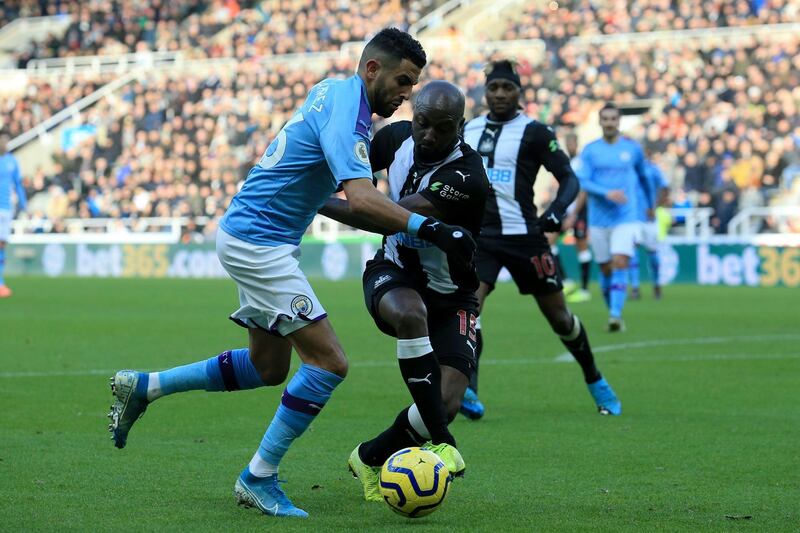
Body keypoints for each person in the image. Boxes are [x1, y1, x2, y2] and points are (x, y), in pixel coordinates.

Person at [107, 28, 476, 519]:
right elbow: (363, 200)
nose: (407, 93)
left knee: (268, 367)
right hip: (260, 244)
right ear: (373, 69)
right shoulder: (349, 117)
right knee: (329, 364)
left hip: (257, 236)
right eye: (403, 81)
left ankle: (147, 386)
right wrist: (430, 227)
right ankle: (257, 477)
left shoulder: (332, 90)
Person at [320, 80, 490, 501]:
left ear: (461, 127)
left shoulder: (467, 176)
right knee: (411, 315)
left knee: (447, 399)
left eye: (442, 128)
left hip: (454, 296)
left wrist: (316, 203)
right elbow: (343, 173)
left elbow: (390, 216)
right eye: (422, 123)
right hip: (394, 274)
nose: (429, 134)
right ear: (412, 117)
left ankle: (368, 456)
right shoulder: (394, 138)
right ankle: (443, 442)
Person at [460, 60, 621, 420]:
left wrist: (557, 210)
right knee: (468, 310)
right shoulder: (467, 129)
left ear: (520, 92)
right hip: (480, 238)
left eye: (507, 88)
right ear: (485, 92)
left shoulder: (534, 132)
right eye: (494, 88)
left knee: (560, 318)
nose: (500, 94)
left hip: (525, 238)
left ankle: (595, 380)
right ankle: (469, 388)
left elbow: (570, 179)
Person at [575, 103, 653, 332]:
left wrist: (650, 203)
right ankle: (613, 310)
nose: (609, 123)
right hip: (599, 219)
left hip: (626, 217)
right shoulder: (590, 150)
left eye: (613, 119)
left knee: (621, 262)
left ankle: (615, 314)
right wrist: (606, 192)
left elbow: (644, 176)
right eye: (605, 119)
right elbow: (584, 181)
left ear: (619, 121)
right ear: (600, 122)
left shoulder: (633, 149)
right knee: (606, 269)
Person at [629, 149, 669, 300]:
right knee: (632, 251)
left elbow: (665, 188)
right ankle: (635, 287)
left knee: (653, 253)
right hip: (633, 218)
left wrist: (656, 206)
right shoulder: (629, 170)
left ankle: (657, 284)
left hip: (649, 218)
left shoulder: (652, 169)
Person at [563, 132, 592, 303]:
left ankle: (585, 289)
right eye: (567, 142)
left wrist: (574, 213)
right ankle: (566, 280)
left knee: (582, 246)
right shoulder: (569, 162)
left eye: (572, 142)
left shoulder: (580, 162)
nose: (569, 145)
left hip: (579, 211)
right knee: (548, 238)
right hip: (568, 210)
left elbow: (583, 190)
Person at [0, 134, 27, 298]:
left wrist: (23, 204)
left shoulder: (12, 161)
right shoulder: (11, 162)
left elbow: (18, 183)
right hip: (5, 210)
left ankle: (0, 283)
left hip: (5, 209)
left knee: (1, 246)